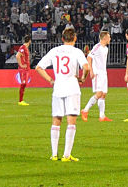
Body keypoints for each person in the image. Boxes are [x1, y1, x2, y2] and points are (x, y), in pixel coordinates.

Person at [35, 27, 91, 162]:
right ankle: (66, 155)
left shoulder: (55, 51)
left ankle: (54, 154)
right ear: (75, 38)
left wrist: (50, 80)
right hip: (72, 88)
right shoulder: (77, 51)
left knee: (56, 121)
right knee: (71, 121)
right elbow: (86, 67)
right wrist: (83, 78)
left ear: (62, 39)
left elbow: (38, 67)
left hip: (58, 88)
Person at [81, 31, 112, 122]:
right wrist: (91, 70)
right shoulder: (97, 47)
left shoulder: (105, 48)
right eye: (109, 37)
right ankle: (85, 110)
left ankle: (102, 116)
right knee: (99, 93)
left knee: (103, 94)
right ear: (104, 38)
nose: (110, 39)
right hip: (97, 73)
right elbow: (89, 57)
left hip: (103, 73)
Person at [16, 35, 32, 106]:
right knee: (23, 83)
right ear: (29, 41)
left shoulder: (25, 48)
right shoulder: (23, 48)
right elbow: (17, 56)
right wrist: (21, 65)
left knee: (24, 84)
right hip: (23, 69)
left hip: (26, 69)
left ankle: (21, 100)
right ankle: (20, 100)